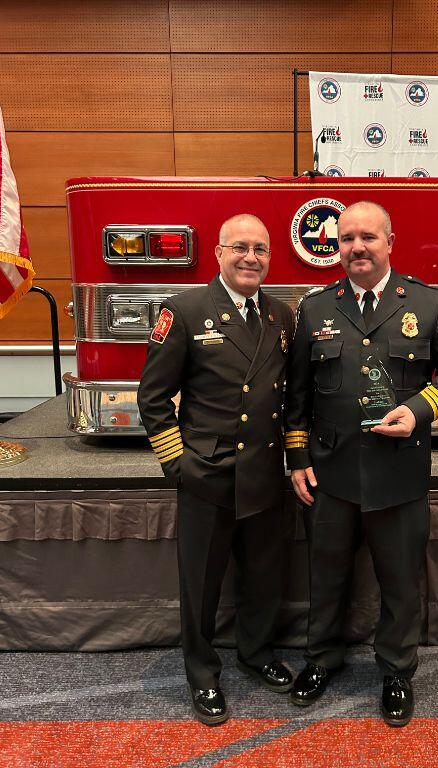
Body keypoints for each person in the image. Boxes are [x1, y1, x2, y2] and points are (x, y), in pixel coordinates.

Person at [283, 201, 438, 727]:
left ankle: (396, 671)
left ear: (390, 241)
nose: (356, 248)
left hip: (399, 472)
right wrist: (297, 457)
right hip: (331, 473)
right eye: (346, 239)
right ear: (337, 248)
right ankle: (321, 659)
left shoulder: (431, 303)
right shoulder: (316, 308)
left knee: (399, 582)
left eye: (367, 237)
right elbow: (297, 395)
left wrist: (420, 410)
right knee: (325, 576)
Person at [138, 213, 297, 726]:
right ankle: (202, 674)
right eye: (240, 248)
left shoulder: (281, 315)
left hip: (266, 472)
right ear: (219, 254)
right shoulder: (184, 310)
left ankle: (255, 653)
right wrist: (177, 464)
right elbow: (154, 397)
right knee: (201, 584)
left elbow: (289, 396)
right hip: (208, 474)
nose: (251, 258)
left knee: (264, 577)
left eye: (261, 250)